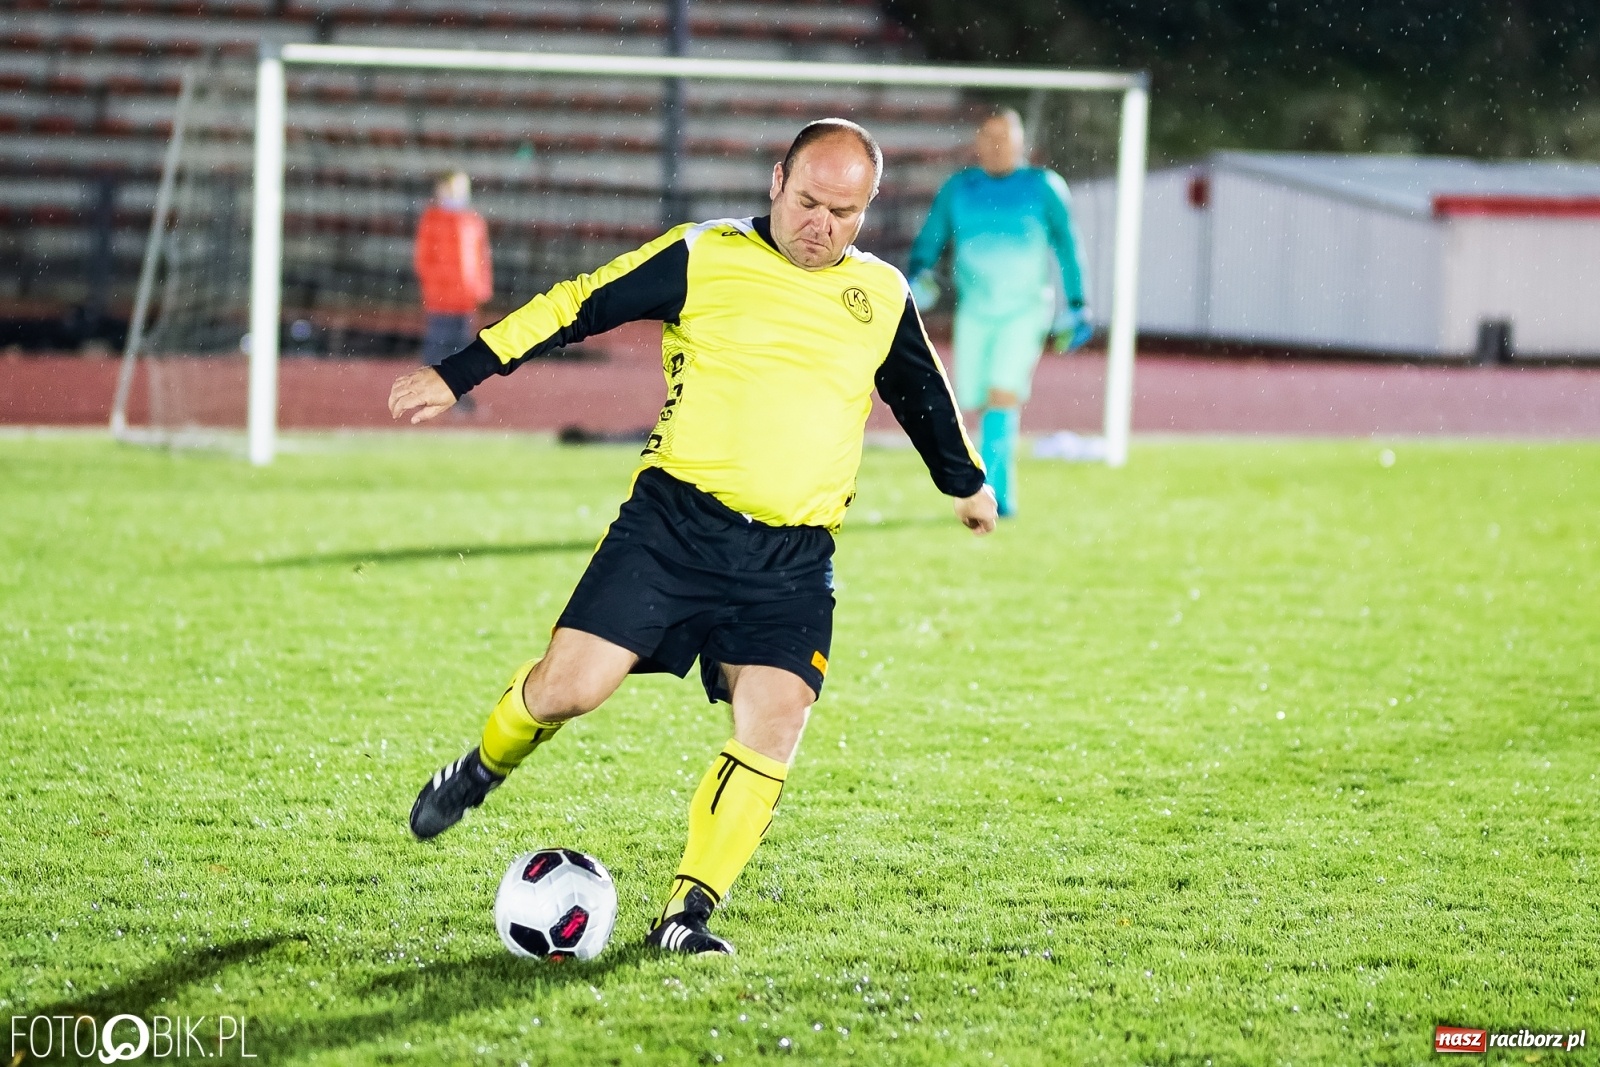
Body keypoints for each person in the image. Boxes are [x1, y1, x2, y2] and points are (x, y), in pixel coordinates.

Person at [388, 119, 998, 956]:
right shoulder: (702, 253)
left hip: (792, 558)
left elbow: (922, 394)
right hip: (674, 528)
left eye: (845, 212)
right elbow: (578, 304)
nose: (822, 224)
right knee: (569, 688)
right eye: (810, 201)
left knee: (778, 716)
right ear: (777, 179)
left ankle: (686, 913)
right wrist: (460, 373)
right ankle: (483, 765)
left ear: (868, 210)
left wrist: (965, 483)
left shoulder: (881, 295)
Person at [907, 107, 1092, 518]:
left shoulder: (1044, 186)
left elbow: (1067, 246)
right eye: (988, 137)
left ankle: (995, 495)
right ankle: (986, 486)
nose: (996, 146)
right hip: (975, 310)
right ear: (977, 143)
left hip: (1025, 309)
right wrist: (920, 274)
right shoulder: (959, 188)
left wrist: (1078, 305)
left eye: (1004, 137)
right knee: (976, 401)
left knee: (1002, 394)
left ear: (1020, 142)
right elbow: (930, 240)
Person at [413, 170, 493, 413]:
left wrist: (482, 287)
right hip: (440, 297)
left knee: (461, 349)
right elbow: (423, 259)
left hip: (465, 298)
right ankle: (428, 395)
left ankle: (455, 397)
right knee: (437, 346)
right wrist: (436, 284)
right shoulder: (432, 219)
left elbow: (482, 257)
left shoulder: (473, 220)